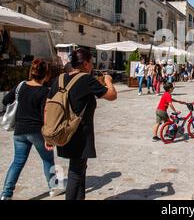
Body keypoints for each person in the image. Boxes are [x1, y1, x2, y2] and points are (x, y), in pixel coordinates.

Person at [47, 48, 117, 200]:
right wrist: (108, 81)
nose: (92, 66)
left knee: (79, 169)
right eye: (91, 63)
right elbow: (112, 95)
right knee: (76, 172)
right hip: (79, 134)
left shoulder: (59, 79)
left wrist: (47, 135)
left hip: (63, 130)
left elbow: (48, 106)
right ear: (85, 63)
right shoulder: (86, 79)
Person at [1, 60, 62, 200]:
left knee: (17, 162)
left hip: (20, 130)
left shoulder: (21, 85)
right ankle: (53, 188)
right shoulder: (45, 92)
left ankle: (6, 194)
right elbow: (45, 114)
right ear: (46, 75)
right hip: (36, 131)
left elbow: (6, 101)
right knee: (47, 160)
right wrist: (49, 136)